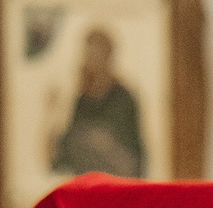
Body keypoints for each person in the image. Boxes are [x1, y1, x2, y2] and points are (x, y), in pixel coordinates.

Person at [49, 28, 147, 179]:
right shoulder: (82, 100)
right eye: (88, 55)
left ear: (107, 57)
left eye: (96, 55)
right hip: (90, 182)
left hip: (118, 180)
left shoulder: (122, 97)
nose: (90, 60)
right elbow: (62, 156)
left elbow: (129, 153)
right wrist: (53, 113)